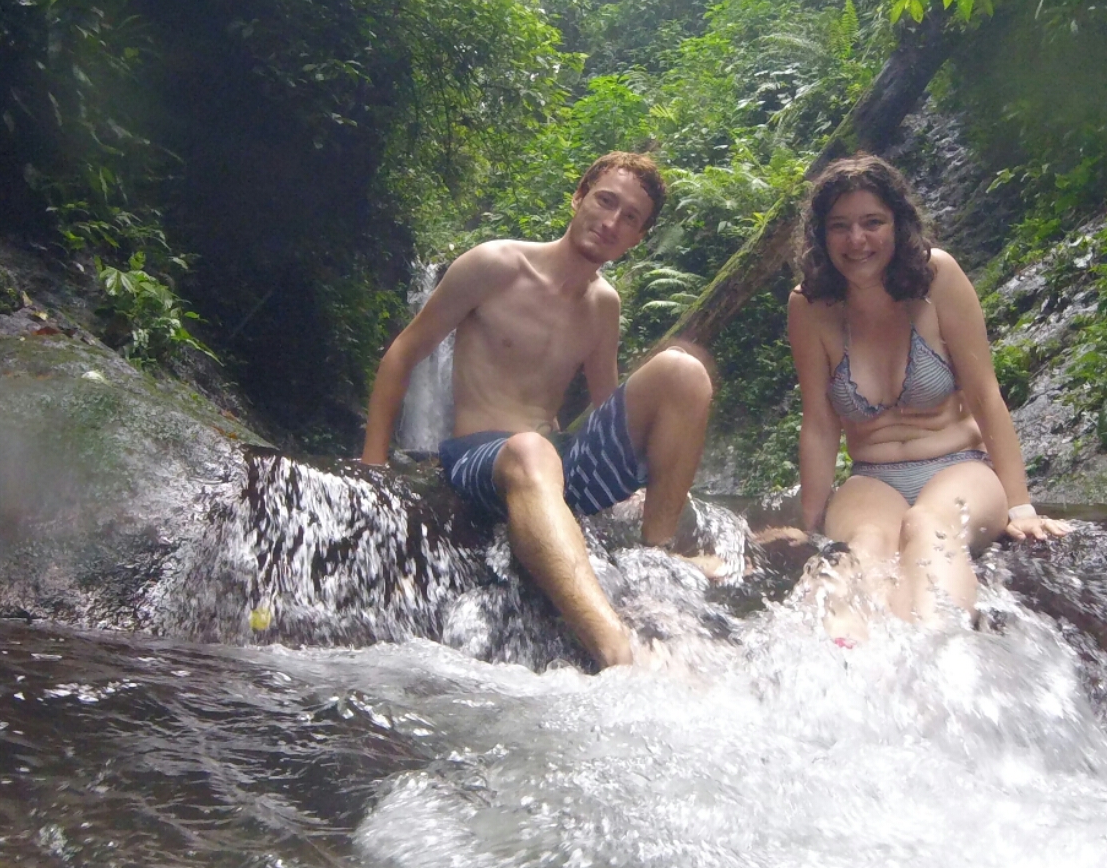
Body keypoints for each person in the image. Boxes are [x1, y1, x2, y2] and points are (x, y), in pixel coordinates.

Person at [361, 151, 715, 670]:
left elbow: (607, 408)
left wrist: (638, 486)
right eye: (605, 201)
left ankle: (655, 559)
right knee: (531, 450)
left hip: (558, 462)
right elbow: (403, 353)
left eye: (630, 218)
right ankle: (615, 649)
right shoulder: (494, 265)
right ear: (579, 197)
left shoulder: (604, 304)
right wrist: (372, 471)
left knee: (685, 370)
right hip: (483, 456)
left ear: (638, 238)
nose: (611, 222)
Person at [785, 154, 1070, 624]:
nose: (856, 240)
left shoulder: (938, 277)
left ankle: (937, 645)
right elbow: (819, 422)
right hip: (872, 478)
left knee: (927, 526)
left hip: (960, 466)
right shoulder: (808, 305)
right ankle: (849, 651)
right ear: (821, 235)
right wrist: (809, 527)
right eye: (839, 226)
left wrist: (1021, 508)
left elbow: (985, 395)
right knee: (865, 546)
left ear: (897, 224)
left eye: (872, 222)